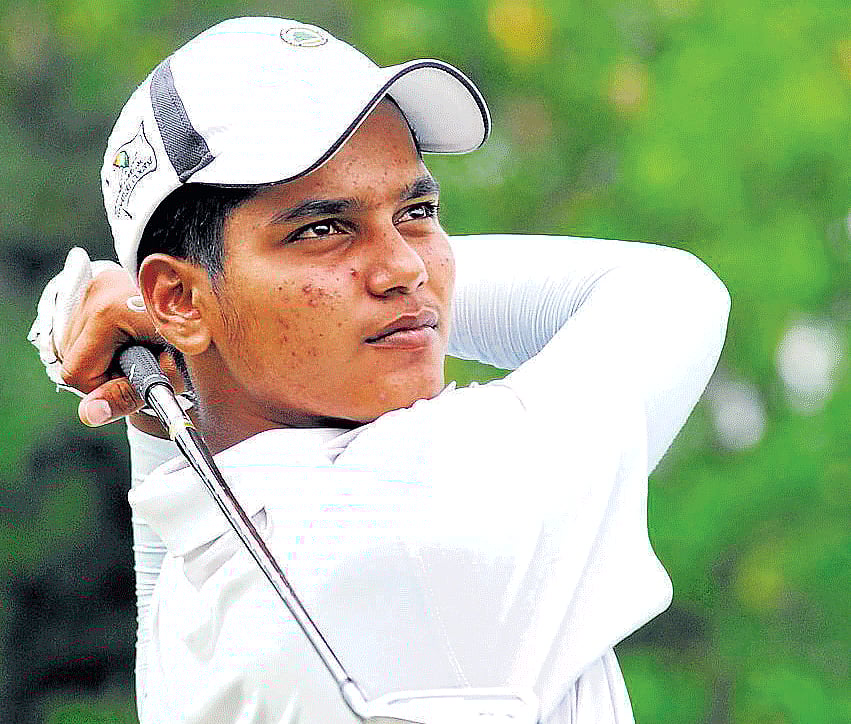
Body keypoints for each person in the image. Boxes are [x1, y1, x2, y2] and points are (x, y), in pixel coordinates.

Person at [29, 16, 730, 724]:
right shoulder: (426, 506)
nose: (404, 267)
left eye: (417, 211)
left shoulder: (221, 557)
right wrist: (162, 328)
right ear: (177, 295)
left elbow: (161, 595)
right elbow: (674, 292)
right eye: (321, 229)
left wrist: (176, 365)